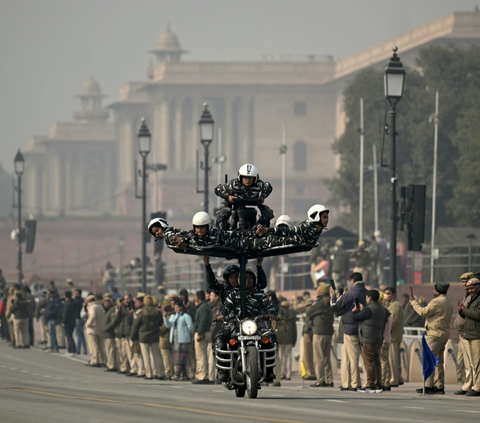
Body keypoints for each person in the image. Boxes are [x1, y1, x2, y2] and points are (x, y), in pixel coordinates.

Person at [410, 282, 453, 395]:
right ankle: (439, 386)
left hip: (434, 335)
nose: (432, 291)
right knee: (438, 362)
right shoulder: (448, 302)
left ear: (437, 291)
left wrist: (413, 303)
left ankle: (429, 385)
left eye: (434, 289)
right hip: (443, 334)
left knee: (429, 360)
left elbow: (423, 312)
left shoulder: (437, 301)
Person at [330, 272, 367, 391]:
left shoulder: (349, 294)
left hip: (350, 328)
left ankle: (355, 383)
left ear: (352, 281)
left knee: (353, 358)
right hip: (365, 328)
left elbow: (335, 307)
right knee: (365, 358)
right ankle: (367, 382)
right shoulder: (367, 293)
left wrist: (333, 296)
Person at [214, 163, 274, 229]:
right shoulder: (233, 184)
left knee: (268, 213)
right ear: (240, 177)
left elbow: (268, 186)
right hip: (234, 206)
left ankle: (260, 229)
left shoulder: (259, 185)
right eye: (245, 177)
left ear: (255, 178)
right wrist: (228, 196)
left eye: (250, 178)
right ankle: (221, 233)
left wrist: (263, 196)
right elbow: (218, 189)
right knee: (221, 215)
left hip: (253, 204)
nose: (248, 180)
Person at [352, 289, 386, 393]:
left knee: (369, 362)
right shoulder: (381, 308)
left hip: (368, 338)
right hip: (378, 338)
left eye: (367, 297)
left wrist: (356, 310)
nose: (366, 299)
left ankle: (370, 384)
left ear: (369, 298)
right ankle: (378, 384)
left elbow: (356, 317)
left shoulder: (369, 309)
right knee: (376, 362)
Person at [307, 282, 334, 387]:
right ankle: (329, 379)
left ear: (321, 292)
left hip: (319, 332)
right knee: (327, 357)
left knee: (318, 357)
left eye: (318, 290)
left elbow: (309, 312)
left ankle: (320, 379)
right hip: (328, 331)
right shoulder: (329, 301)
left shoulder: (320, 302)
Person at [131, 295, 165, 380]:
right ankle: (160, 373)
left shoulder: (141, 313)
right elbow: (161, 323)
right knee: (157, 355)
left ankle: (149, 374)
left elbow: (135, 326)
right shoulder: (158, 312)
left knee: (146, 356)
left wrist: (133, 337)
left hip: (143, 337)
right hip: (155, 336)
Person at [458, 277, 480, 396]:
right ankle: (476, 385)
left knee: (477, 363)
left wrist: (465, 310)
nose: (470, 290)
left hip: (477, 335)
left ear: (478, 287)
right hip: (470, 334)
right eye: (469, 288)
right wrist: (462, 311)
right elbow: (468, 314)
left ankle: (478, 387)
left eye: (472, 288)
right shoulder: (472, 298)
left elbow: (478, 314)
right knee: (473, 363)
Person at [454, 272, 475, 395]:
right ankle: (468, 384)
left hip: (469, 333)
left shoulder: (473, 297)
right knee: (467, 362)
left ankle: (472, 385)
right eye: (463, 282)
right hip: (462, 333)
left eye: (466, 282)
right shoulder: (467, 296)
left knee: (472, 361)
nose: (464, 284)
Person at [164, 299, 194, 381]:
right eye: (175, 307)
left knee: (181, 357)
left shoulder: (186, 316)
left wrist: (186, 332)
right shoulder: (173, 316)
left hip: (183, 339)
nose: (176, 309)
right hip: (175, 339)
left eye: (177, 307)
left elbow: (191, 327)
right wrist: (165, 317)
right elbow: (169, 325)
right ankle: (183, 375)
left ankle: (177, 374)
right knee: (177, 358)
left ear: (181, 307)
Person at [383, 286, 404, 388]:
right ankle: (398, 378)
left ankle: (393, 380)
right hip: (391, 336)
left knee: (392, 360)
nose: (387, 295)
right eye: (385, 293)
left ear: (394, 295)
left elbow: (392, 321)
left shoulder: (395, 305)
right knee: (391, 359)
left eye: (389, 293)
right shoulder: (388, 304)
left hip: (393, 336)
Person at [192, 290, 212, 384]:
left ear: (198, 297)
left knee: (201, 356)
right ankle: (202, 374)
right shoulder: (204, 306)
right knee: (202, 355)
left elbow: (203, 321)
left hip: (202, 333)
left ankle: (202, 376)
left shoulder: (203, 308)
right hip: (203, 332)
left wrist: (200, 333)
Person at [85, 294, 106, 367]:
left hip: (92, 329)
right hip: (100, 328)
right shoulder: (100, 306)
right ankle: (102, 360)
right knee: (101, 345)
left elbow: (93, 315)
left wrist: (88, 323)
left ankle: (95, 360)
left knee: (93, 346)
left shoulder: (92, 307)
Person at [278, 300, 297, 382]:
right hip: (289, 338)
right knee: (288, 356)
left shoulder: (279, 315)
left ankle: (282, 374)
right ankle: (288, 375)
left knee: (280, 356)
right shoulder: (292, 316)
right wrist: (294, 340)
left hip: (280, 337)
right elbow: (294, 330)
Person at [378, 292, 393, 391]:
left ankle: (383, 381)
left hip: (383, 339)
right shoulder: (388, 312)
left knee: (383, 361)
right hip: (387, 338)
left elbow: (384, 327)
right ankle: (387, 381)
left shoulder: (383, 312)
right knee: (386, 361)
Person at [208, 290, 222, 383]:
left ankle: (215, 376)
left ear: (217, 297)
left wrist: (211, 335)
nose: (210, 297)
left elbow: (215, 323)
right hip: (217, 334)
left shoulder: (218, 307)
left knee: (215, 356)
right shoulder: (212, 306)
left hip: (217, 335)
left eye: (211, 295)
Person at [103, 296, 119, 372]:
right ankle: (110, 364)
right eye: (105, 302)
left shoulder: (112, 310)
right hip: (106, 334)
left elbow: (113, 322)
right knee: (108, 350)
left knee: (111, 350)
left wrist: (106, 328)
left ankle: (112, 365)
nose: (106, 304)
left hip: (110, 333)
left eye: (107, 302)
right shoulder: (106, 311)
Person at [62, 291, 77, 356]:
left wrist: (63, 321)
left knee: (69, 337)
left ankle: (71, 350)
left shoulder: (67, 304)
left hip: (68, 322)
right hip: (72, 321)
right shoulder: (73, 302)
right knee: (70, 336)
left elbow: (65, 313)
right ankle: (72, 350)